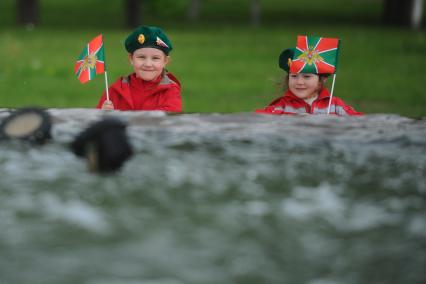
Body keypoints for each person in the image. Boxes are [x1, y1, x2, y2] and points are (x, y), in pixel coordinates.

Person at [256, 45, 362, 116]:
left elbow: (360, 123)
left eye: (306, 77)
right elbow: (257, 121)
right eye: (294, 76)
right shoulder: (282, 106)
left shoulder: (335, 106)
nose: (299, 82)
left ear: (322, 79)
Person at [97, 25, 182, 112]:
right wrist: (103, 113)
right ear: (131, 59)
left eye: (155, 58)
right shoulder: (116, 90)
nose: (148, 64)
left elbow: (169, 120)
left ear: (165, 61)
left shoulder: (170, 91)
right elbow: (97, 121)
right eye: (141, 57)